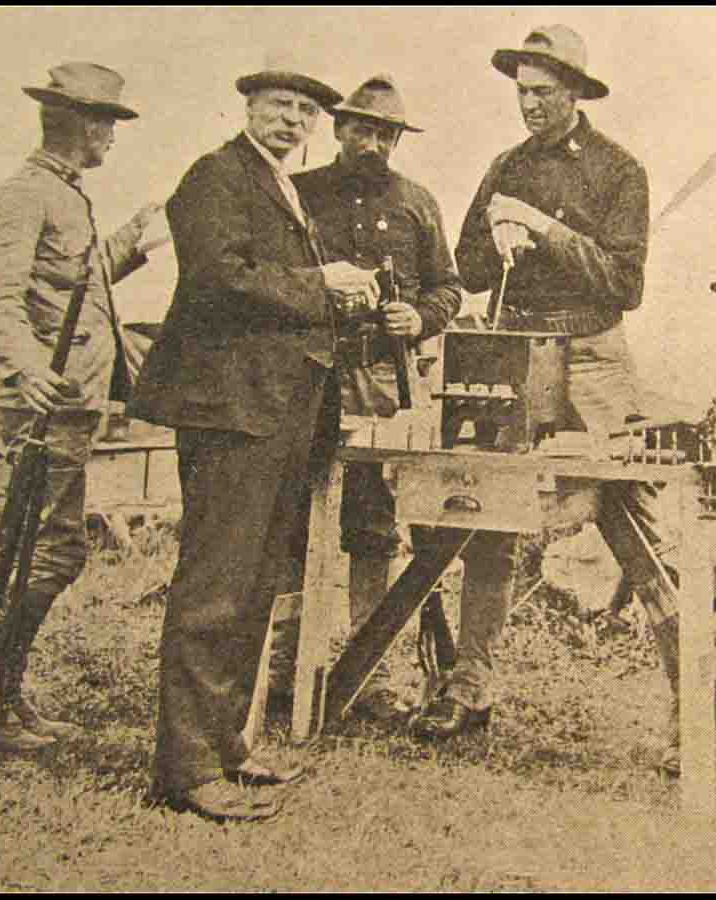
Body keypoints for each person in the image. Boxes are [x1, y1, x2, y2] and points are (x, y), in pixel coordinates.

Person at [414, 25, 683, 773]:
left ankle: (698, 713)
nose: (529, 105)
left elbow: (625, 283)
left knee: (634, 526)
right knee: (487, 517)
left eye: (543, 92)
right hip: (514, 351)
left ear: (575, 94)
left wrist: (546, 230)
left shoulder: (617, 170)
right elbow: (466, 271)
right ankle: (470, 687)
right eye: (522, 92)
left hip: (594, 357)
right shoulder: (504, 168)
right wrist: (498, 236)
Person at [127, 55, 381, 823]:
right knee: (215, 586)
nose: (292, 122)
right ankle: (185, 770)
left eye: (304, 113)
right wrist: (323, 282)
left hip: (272, 411)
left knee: (255, 583)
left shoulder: (276, 184)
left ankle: (226, 746)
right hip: (229, 411)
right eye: (279, 106)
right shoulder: (215, 176)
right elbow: (217, 276)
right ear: (249, 107)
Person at [0, 62, 159, 755]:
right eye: (107, 121)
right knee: (41, 552)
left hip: (69, 402)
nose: (112, 135)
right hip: (40, 407)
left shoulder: (65, 195)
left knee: (49, 549)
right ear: (77, 123)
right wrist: (26, 367)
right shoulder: (25, 196)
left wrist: (142, 232)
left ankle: (2, 697)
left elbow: (77, 280)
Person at [288, 75, 462, 721]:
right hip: (306, 375)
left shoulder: (417, 203)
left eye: (385, 132)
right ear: (338, 129)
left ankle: (370, 673)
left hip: (379, 383)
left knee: (373, 527)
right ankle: (285, 669)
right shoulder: (301, 196)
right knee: (291, 521)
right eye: (362, 128)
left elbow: (449, 288)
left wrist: (417, 318)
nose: (373, 142)